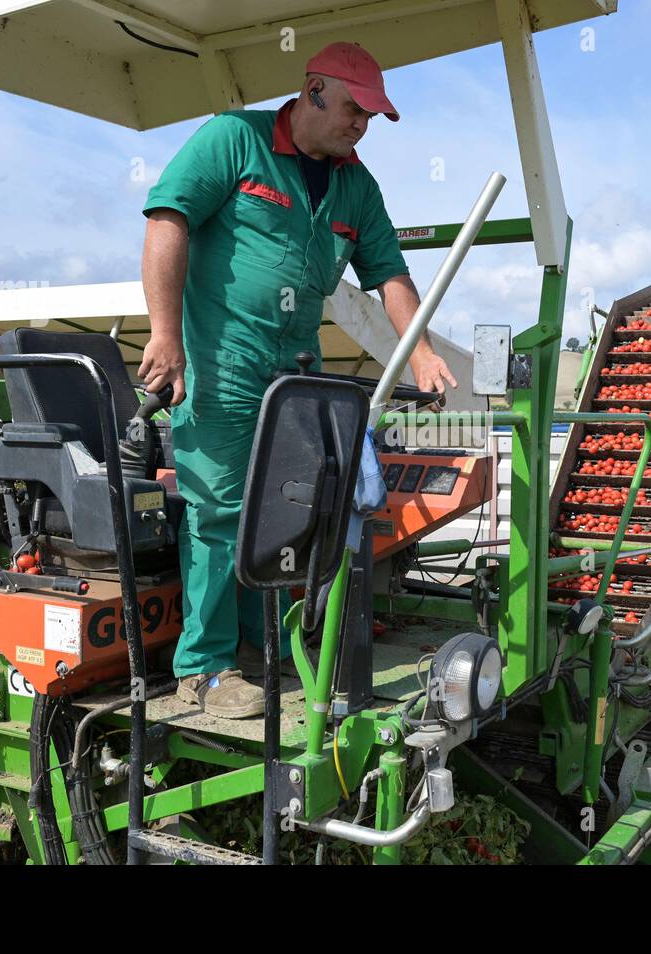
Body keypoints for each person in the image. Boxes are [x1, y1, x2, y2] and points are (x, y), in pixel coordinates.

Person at [138, 41, 456, 718]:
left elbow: (389, 275)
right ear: (312, 91)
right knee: (220, 511)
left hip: (296, 375)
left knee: (290, 509)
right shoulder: (234, 140)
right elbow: (168, 219)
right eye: (353, 110)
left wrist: (422, 350)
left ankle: (266, 650)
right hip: (221, 364)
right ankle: (204, 669)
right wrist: (166, 337)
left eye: (370, 117)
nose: (360, 126)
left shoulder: (355, 186)